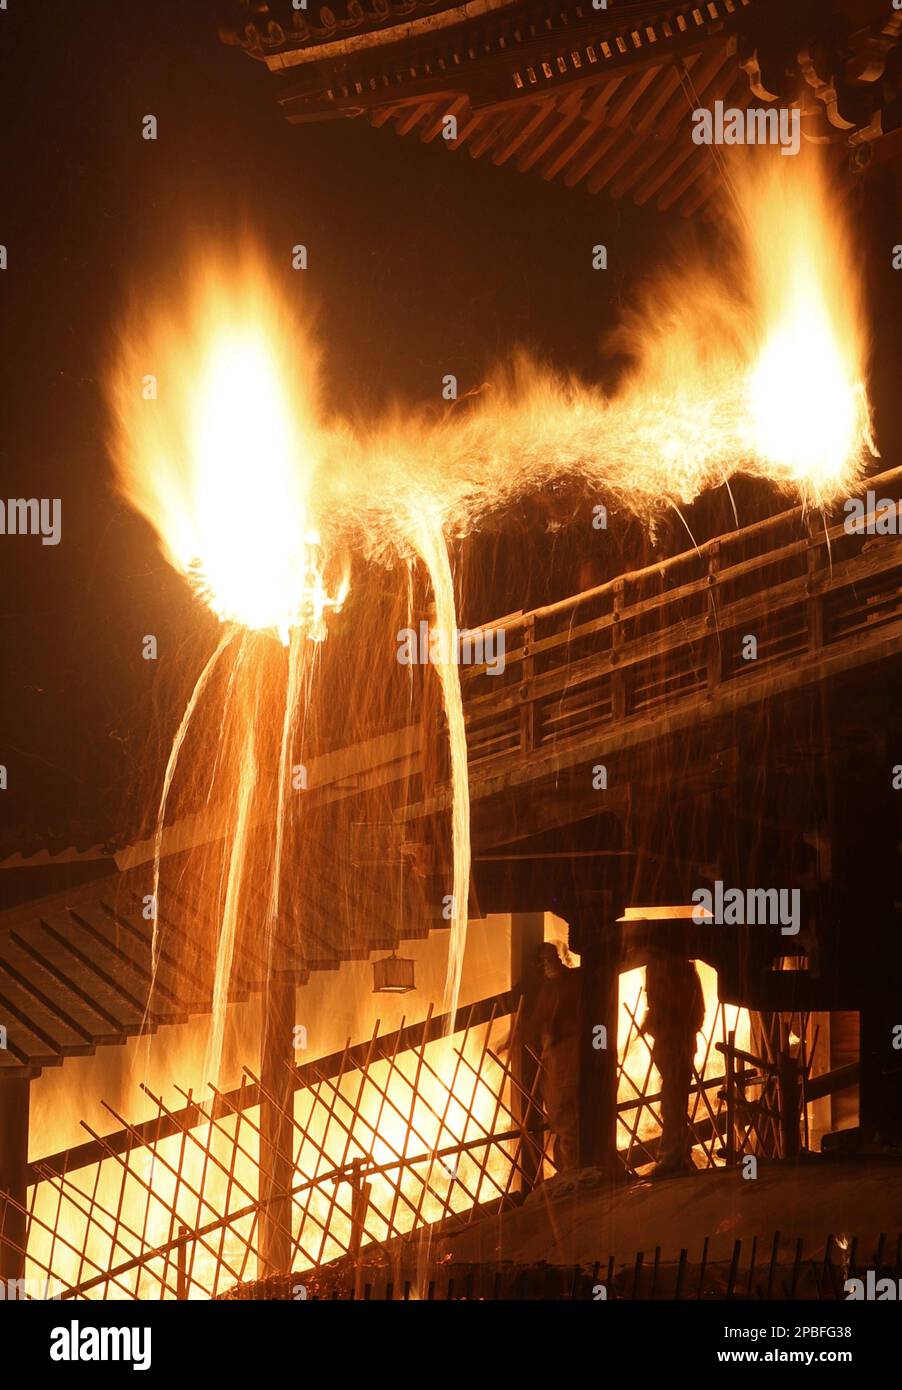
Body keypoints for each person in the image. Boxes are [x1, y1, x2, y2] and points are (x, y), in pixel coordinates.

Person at [514, 943, 582, 1173]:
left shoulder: (569, 983)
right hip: (555, 1052)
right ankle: (568, 1168)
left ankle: (572, 1168)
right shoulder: (550, 988)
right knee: (559, 1112)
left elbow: (548, 1018)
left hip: (566, 1051)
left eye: (550, 959)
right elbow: (539, 1019)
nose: (548, 965)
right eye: (543, 962)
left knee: (565, 1110)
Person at [642, 950, 705, 1177]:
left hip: (677, 1045)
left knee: (673, 1101)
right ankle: (676, 1154)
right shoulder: (671, 972)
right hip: (672, 1044)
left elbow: (693, 1014)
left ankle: (672, 1158)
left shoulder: (680, 975)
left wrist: (663, 1026)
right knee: (673, 1100)